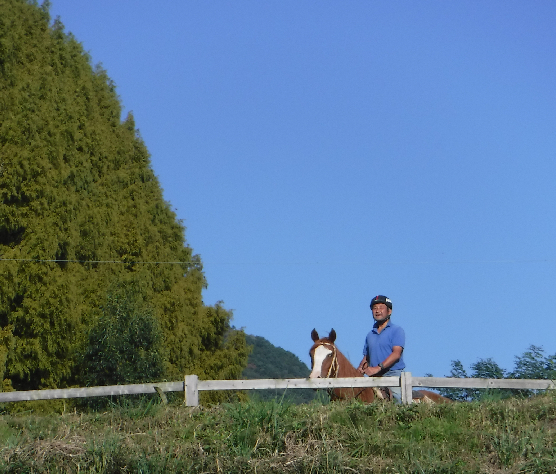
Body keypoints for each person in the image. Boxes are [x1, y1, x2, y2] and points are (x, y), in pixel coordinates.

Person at [357, 295, 405, 402]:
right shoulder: (370, 335)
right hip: (373, 376)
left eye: (381, 308)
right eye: (375, 308)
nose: (377, 311)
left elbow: (396, 354)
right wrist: (360, 368)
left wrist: (378, 368)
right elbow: (367, 357)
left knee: (397, 401)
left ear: (389, 311)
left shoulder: (396, 330)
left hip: (392, 374)